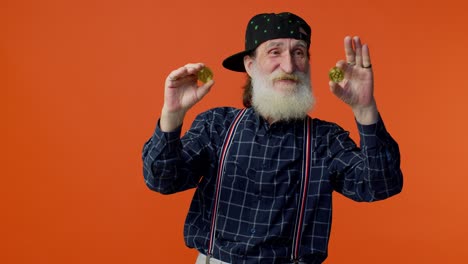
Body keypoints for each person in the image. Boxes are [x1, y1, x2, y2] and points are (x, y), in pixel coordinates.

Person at [142, 12, 403, 264]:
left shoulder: (325, 139)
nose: (289, 66)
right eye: (275, 52)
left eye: (298, 52)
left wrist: (365, 110)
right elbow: (163, 180)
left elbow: (380, 185)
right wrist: (172, 115)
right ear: (250, 65)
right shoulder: (217, 126)